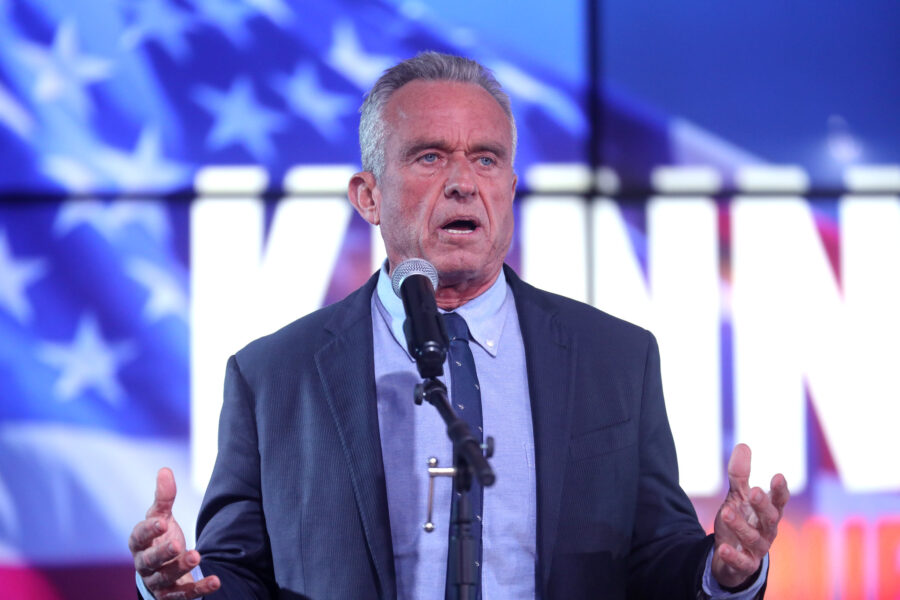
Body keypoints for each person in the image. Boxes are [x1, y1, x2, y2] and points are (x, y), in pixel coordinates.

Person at [129, 51, 789, 600]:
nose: (463, 183)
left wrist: (724, 570)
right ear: (368, 196)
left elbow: (655, 558)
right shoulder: (273, 375)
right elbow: (234, 574)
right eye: (429, 158)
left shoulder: (615, 358)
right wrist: (175, 585)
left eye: (486, 159)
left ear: (509, 188)